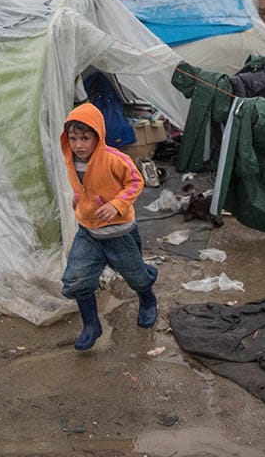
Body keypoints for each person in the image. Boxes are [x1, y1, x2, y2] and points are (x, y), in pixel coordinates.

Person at [60, 103, 158, 351]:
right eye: (73, 138)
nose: (78, 145)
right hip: (89, 232)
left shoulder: (114, 159)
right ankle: (91, 325)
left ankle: (147, 299)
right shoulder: (71, 160)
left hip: (119, 233)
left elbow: (135, 182)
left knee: (135, 277)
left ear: (98, 136)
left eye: (85, 138)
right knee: (76, 279)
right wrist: (78, 198)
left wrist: (117, 204)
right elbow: (87, 186)